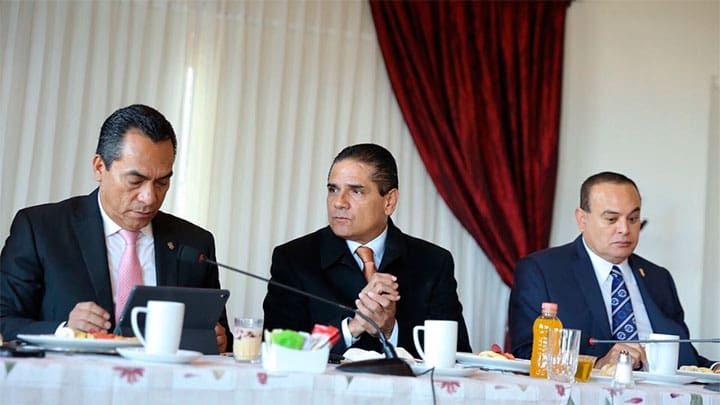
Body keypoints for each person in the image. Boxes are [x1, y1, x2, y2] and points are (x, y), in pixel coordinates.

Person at [0, 104, 231, 353]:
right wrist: (64, 329)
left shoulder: (194, 243)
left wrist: (218, 339)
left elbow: (218, 333)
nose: (149, 197)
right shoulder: (41, 230)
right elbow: (4, 319)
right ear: (99, 167)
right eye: (135, 181)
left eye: (162, 182)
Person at [263, 143, 471, 357]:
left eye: (356, 191)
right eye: (333, 189)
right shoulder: (294, 258)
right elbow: (277, 352)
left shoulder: (433, 262)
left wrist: (391, 331)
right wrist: (352, 328)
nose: (339, 203)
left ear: (389, 201)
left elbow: (456, 354)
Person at [509, 171, 715, 369]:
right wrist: (599, 365)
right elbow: (527, 354)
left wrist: (714, 367)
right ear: (582, 219)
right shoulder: (541, 271)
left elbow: (684, 357)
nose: (625, 229)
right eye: (611, 219)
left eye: (633, 219)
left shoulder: (658, 278)